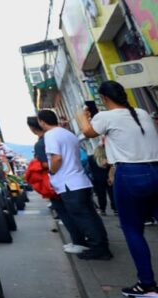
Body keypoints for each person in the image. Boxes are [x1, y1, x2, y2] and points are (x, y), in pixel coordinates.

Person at [75, 81, 158, 298]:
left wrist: (82, 115)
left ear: (103, 98)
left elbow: (87, 132)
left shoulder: (105, 117)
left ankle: (147, 284)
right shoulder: (141, 113)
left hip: (130, 174)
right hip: (155, 169)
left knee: (132, 229)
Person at [39, 108, 112, 260]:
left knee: (83, 217)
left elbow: (56, 158)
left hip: (69, 183)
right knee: (91, 215)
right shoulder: (67, 133)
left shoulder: (51, 135)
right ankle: (101, 245)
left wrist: (52, 171)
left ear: (42, 122)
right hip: (80, 180)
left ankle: (99, 248)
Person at [86, 144, 115, 215]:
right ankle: (115, 208)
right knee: (112, 194)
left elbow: (89, 169)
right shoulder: (107, 158)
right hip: (108, 178)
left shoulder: (91, 158)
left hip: (97, 180)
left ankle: (102, 209)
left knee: (101, 195)